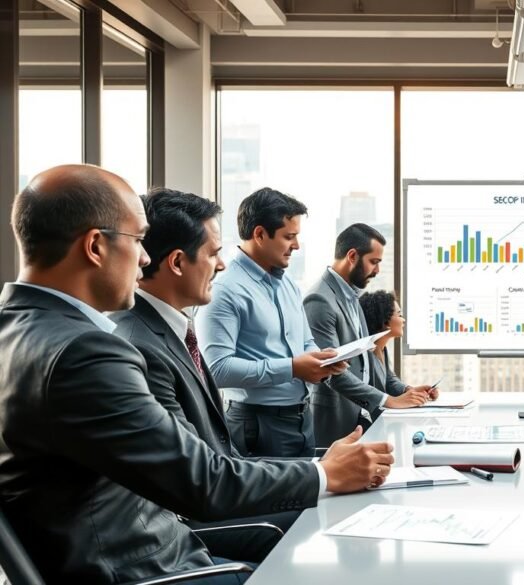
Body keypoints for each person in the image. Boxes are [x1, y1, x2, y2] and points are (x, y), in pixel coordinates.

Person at [0, 165, 394, 584]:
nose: (146, 257)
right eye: (137, 241)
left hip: (145, 550)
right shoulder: (86, 351)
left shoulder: (19, 328)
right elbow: (201, 481)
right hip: (146, 569)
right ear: (96, 246)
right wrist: (323, 473)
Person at [111, 189, 298, 562]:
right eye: (213, 254)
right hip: (185, 528)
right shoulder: (138, 345)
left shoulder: (169, 331)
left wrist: (319, 469)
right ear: (178, 262)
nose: (222, 265)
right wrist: (322, 476)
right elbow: (198, 478)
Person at [196, 187, 347, 458]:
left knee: (309, 498)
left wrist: (322, 360)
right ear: (259, 234)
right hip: (256, 424)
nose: (297, 246)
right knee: (271, 501)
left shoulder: (288, 285)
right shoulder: (225, 290)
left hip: (301, 417)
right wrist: (292, 368)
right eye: (289, 236)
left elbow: (304, 341)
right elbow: (216, 370)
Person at [303, 223, 434, 447]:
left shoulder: (353, 296)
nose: (377, 271)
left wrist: (407, 391)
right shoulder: (319, 299)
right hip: (335, 421)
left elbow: (368, 362)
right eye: (374, 262)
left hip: (361, 418)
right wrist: (388, 400)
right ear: (352, 256)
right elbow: (332, 371)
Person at [358, 290, 427, 395]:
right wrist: (397, 401)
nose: (403, 320)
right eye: (399, 315)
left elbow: (389, 380)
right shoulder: (364, 354)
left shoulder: (382, 348)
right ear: (385, 321)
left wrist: (410, 390)